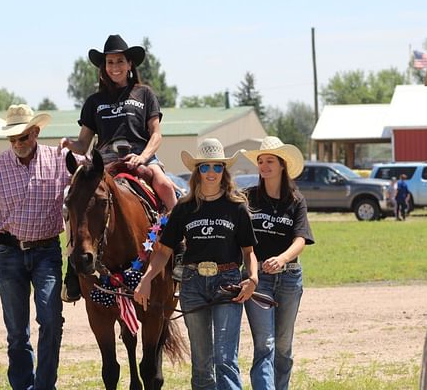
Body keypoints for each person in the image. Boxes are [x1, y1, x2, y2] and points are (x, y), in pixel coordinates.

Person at [60, 34, 178, 302]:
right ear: (104, 66)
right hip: (105, 163)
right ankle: (72, 264)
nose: (114, 66)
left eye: (119, 61)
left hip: (141, 157)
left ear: (129, 64)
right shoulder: (94, 102)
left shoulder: (144, 94)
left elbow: (156, 134)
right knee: (74, 199)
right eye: (110, 62)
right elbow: (83, 142)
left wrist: (144, 156)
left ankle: (181, 247)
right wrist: (70, 143)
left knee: (166, 186)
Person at [134, 138, 259, 390]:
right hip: (192, 284)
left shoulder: (236, 208)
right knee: (201, 362)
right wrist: (146, 279)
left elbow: (249, 251)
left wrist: (252, 279)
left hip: (228, 283)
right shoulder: (184, 208)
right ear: (197, 171)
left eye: (217, 167)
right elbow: (163, 251)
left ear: (224, 170)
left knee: (225, 359)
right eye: (205, 167)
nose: (211, 172)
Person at [0, 104, 79, 390]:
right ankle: (22, 386)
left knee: (51, 320)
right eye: (13, 139)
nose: (18, 144)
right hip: (9, 254)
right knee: (17, 332)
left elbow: (91, 168)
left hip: (47, 252)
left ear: (36, 132)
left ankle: (45, 386)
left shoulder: (59, 159)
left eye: (24, 137)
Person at [240, 136, 315, 390]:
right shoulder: (248, 198)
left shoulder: (295, 200)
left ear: (282, 165)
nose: (264, 165)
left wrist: (282, 258)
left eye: (270, 160)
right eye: (261, 161)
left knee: (283, 346)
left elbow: (301, 239)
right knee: (265, 344)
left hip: (290, 277)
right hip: (258, 278)